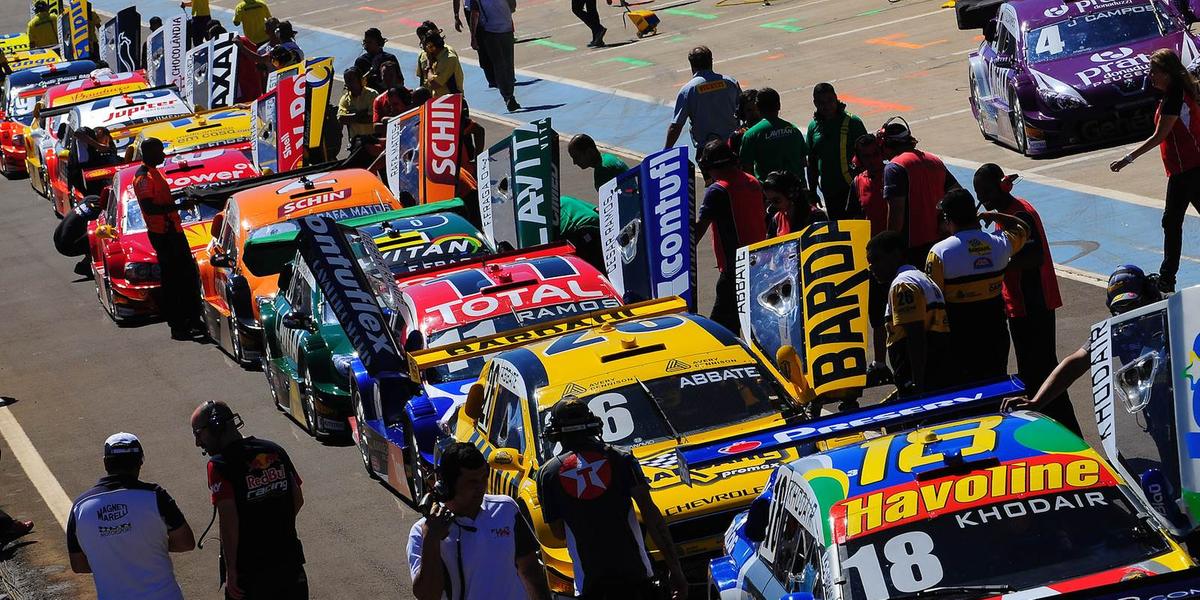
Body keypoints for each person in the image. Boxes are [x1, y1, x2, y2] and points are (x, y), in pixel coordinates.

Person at [537, 398, 688, 600]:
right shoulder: (621, 458)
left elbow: (558, 533)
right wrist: (676, 570)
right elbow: (652, 516)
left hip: (591, 583)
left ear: (554, 432)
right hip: (636, 575)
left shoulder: (547, 474)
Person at [1005, 265, 1164, 435]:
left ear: (1150, 296)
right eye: (1121, 309)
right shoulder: (1119, 331)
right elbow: (1073, 365)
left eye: (1133, 305)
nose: (1129, 315)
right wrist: (1036, 402)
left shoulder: (1174, 314)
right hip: (1153, 407)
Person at [974, 163, 1068, 427]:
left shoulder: (1018, 214)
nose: (983, 200)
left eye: (986, 192)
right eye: (979, 195)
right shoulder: (1006, 212)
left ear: (1000, 186)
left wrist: (996, 261)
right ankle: (1057, 426)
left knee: (1041, 373)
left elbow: (1034, 256)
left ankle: (1065, 427)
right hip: (1022, 303)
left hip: (1032, 302)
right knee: (1036, 372)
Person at [192, 400, 307, 600]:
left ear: (216, 427)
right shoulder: (274, 450)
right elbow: (297, 498)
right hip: (289, 563)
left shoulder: (219, 466)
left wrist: (231, 570)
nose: (198, 442)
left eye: (198, 434)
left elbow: (229, 522)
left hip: (251, 572)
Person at [406, 443, 550, 600]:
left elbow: (530, 571)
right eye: (472, 482)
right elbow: (427, 595)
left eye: (483, 478)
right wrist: (431, 540)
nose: (481, 487)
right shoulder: (421, 532)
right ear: (447, 485)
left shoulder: (506, 509)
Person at [1110, 49, 1200, 295]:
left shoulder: (1174, 98)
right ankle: (1167, 278)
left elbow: (1160, 135)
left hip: (1189, 169)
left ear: (1168, 73)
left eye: (1154, 71)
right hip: (1184, 169)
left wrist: (1128, 158)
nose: (1150, 76)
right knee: (1171, 222)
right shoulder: (1175, 93)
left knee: (1171, 222)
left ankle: (1167, 278)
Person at [67, 433, 195, 600]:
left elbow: (78, 564)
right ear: (140, 462)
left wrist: (112, 555)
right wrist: (146, 545)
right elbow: (186, 542)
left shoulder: (80, 507)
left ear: (106, 463)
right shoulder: (156, 496)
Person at [926, 189, 1029, 384]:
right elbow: (1023, 228)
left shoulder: (939, 253)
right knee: (995, 385)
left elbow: (934, 300)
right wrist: (995, 215)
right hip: (995, 332)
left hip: (960, 336)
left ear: (948, 218)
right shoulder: (1000, 243)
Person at [132, 138, 204, 340]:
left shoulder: (155, 173)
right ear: (148, 153)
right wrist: (179, 207)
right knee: (174, 280)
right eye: (159, 151)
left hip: (173, 231)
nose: (163, 155)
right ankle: (178, 324)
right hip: (163, 235)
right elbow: (149, 208)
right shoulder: (144, 177)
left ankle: (192, 319)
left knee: (187, 277)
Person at [694, 139, 767, 333]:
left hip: (734, 267)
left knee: (719, 328)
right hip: (759, 261)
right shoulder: (752, 181)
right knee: (753, 320)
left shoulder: (717, 191)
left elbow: (700, 228)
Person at [866, 230, 952, 395]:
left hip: (921, 376)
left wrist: (917, 383)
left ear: (896, 255)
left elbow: (915, 336)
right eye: (870, 263)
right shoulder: (922, 277)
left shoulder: (902, 284)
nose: (872, 268)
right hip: (938, 367)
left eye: (877, 260)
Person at [879, 116, 960, 266]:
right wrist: (943, 220)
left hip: (912, 248)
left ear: (885, 144)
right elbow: (957, 193)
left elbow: (896, 215)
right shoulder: (934, 160)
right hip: (941, 242)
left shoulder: (894, 167)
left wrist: (890, 248)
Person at [849, 134, 893, 386]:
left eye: (874, 154)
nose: (871, 160)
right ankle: (879, 363)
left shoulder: (895, 173)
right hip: (873, 261)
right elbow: (851, 219)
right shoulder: (857, 182)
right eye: (865, 157)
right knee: (876, 315)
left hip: (897, 256)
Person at [806, 83, 868, 219]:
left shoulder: (853, 122)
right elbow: (812, 161)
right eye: (821, 102)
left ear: (836, 98)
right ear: (815, 103)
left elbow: (868, 154)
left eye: (830, 101)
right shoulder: (813, 127)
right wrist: (812, 190)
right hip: (830, 191)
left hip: (853, 188)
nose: (826, 106)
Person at [665, 46, 741, 150]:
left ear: (691, 64)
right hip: (733, 144)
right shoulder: (731, 82)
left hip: (707, 150)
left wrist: (666, 150)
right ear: (711, 61)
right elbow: (743, 110)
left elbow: (676, 126)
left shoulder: (688, 90)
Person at [738, 87, 808, 184]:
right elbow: (803, 162)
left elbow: (746, 170)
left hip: (770, 193)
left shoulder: (751, 134)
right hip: (797, 191)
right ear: (779, 106)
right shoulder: (793, 130)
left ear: (757, 106)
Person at [467, 0, 519, 111]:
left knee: (499, 65)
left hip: (491, 31)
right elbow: (513, 6)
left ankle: (508, 96)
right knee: (508, 64)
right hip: (505, 29)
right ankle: (509, 94)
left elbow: (474, 14)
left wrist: (473, 36)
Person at [53, 194, 104, 275]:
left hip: (58, 235)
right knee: (102, 232)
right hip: (67, 245)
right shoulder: (100, 209)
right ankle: (89, 265)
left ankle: (88, 260)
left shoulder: (90, 198)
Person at [763, 170, 825, 237]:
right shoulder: (776, 220)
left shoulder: (815, 217)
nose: (773, 206)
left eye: (777, 200)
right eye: (769, 202)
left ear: (790, 194)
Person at [418, 31, 468, 102]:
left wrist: (429, 67)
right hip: (438, 100)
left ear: (432, 47)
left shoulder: (448, 59)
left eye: (426, 49)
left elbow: (435, 84)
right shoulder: (437, 56)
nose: (425, 52)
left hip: (450, 101)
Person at [558, 195, 604, 271]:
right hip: (598, 224)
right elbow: (597, 209)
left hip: (583, 231)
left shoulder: (544, 221)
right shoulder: (564, 199)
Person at [338, 67, 380, 150]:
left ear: (360, 80)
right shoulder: (345, 99)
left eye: (352, 80)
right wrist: (361, 114)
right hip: (356, 143)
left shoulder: (372, 94)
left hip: (373, 141)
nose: (349, 84)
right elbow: (341, 119)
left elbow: (371, 118)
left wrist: (351, 117)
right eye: (347, 81)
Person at [355, 28, 400, 92]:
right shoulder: (361, 61)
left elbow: (400, 81)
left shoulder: (390, 58)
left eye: (370, 42)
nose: (366, 45)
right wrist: (370, 72)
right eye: (365, 42)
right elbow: (356, 83)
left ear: (379, 42)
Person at [373, 61, 415, 131]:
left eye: (391, 75)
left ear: (398, 76)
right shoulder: (379, 100)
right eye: (384, 75)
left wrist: (388, 121)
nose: (388, 78)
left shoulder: (411, 95)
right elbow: (376, 127)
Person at [728, 88, 759, 155]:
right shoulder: (737, 137)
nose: (755, 113)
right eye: (749, 110)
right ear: (742, 112)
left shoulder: (774, 130)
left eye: (757, 109)